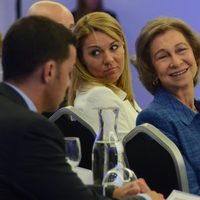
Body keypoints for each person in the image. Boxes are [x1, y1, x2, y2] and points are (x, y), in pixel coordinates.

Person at [0, 15, 164, 200]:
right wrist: (146, 199)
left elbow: (60, 186)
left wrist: (111, 193)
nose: (70, 83)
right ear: (49, 72)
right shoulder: (31, 130)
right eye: (69, 72)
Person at [135, 17, 200, 195]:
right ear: (152, 69)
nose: (176, 62)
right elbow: (188, 193)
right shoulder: (155, 119)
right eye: (163, 56)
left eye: (181, 50)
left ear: (194, 53)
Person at [68, 12, 141, 139]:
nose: (108, 59)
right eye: (96, 53)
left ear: (123, 46)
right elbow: (130, 154)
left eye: (114, 47)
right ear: (81, 59)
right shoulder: (99, 96)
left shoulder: (114, 92)